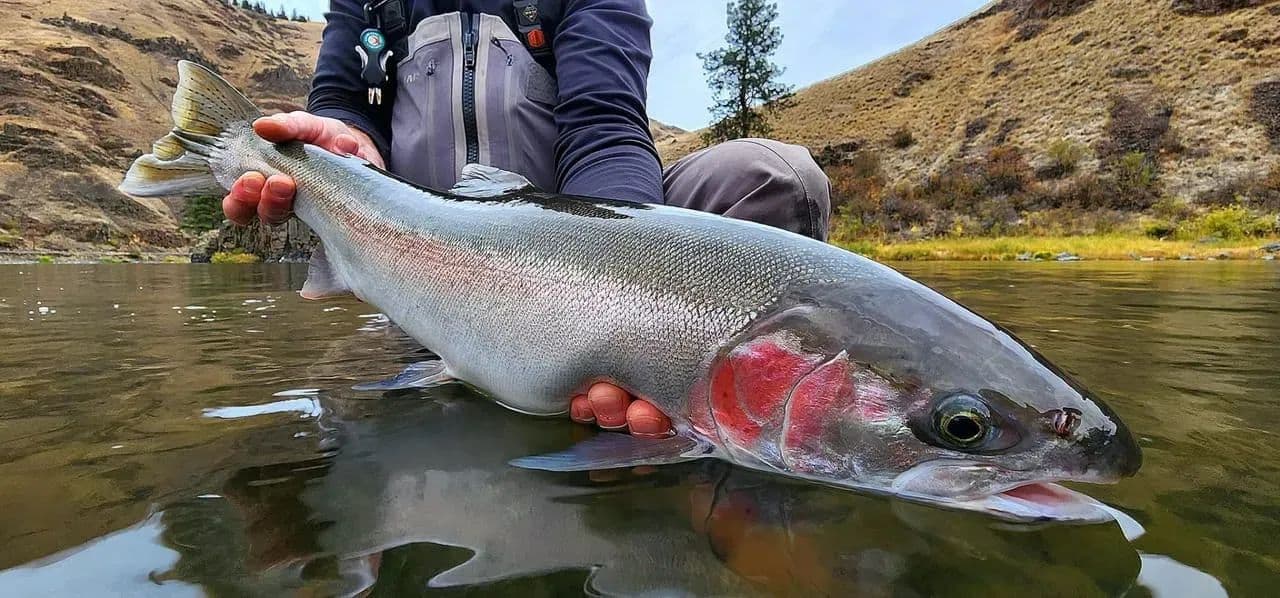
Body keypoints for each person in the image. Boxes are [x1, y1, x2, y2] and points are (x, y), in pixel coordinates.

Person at [222, 0, 832, 438]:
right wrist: (341, 155)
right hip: (419, 240)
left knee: (774, 177)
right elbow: (345, 109)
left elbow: (604, 128)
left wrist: (610, 307)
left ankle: (730, 397)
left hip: (575, 215)